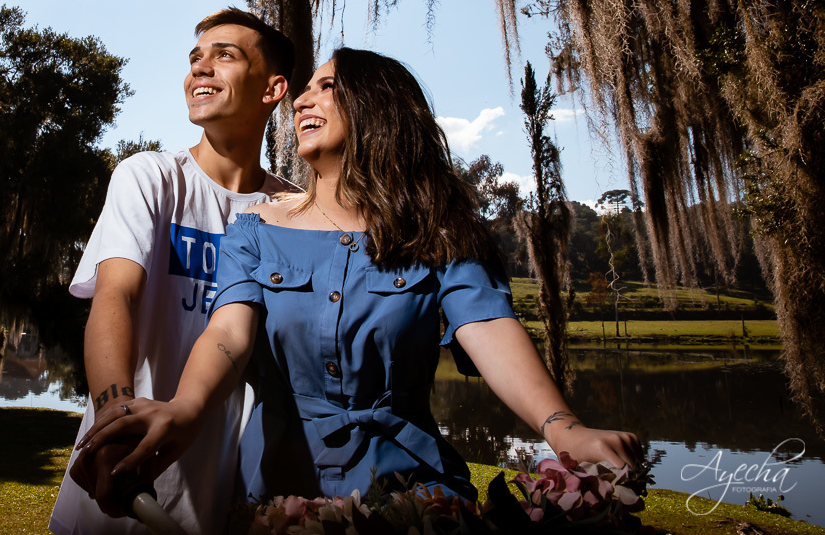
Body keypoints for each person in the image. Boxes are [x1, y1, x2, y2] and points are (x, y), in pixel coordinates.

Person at [78, 48, 642, 509]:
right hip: (279, 496)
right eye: (305, 90)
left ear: (379, 107)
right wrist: (185, 409)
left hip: (415, 493)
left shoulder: (439, 230)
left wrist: (563, 428)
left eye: (327, 87)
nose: (303, 100)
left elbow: (488, 325)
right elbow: (228, 334)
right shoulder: (255, 228)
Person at [48, 8, 299, 535]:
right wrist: (115, 422)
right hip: (121, 481)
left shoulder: (295, 211)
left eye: (224, 56)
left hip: (229, 496)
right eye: (195, 58)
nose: (199, 69)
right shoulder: (150, 177)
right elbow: (115, 296)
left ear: (273, 89)